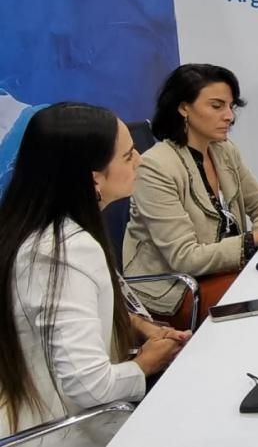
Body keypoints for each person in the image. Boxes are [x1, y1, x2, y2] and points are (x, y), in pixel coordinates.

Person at [0, 103, 190, 436]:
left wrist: (136, 325)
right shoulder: (64, 253)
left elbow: (68, 312)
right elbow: (90, 387)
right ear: (93, 178)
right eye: (128, 156)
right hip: (65, 430)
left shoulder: (36, 229)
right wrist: (145, 364)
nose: (140, 160)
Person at [123, 64, 258, 327]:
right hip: (176, 287)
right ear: (184, 108)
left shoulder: (224, 150)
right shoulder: (155, 167)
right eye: (217, 106)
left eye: (231, 106)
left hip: (223, 270)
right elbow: (185, 257)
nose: (229, 116)